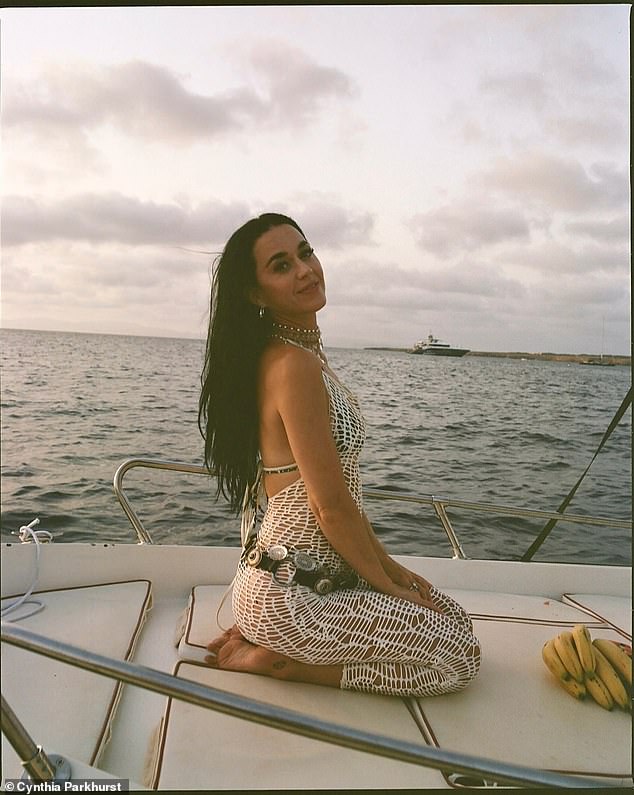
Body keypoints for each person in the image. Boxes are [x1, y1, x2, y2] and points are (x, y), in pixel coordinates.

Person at [198, 213, 480, 696]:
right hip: (292, 596)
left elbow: (345, 499)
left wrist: (391, 568)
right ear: (256, 292)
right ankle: (281, 663)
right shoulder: (292, 365)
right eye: (281, 265)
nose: (305, 270)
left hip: (313, 578)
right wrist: (390, 587)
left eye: (305, 253)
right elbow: (328, 507)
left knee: (452, 615)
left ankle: (269, 638)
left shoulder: (299, 355)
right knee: (459, 658)